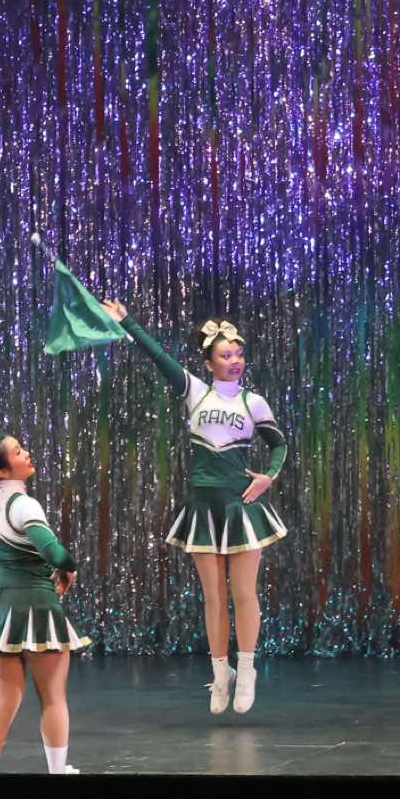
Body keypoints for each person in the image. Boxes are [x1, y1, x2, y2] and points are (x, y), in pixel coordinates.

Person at [112, 304, 288, 714]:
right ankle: (221, 673)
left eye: (238, 354)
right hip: (203, 508)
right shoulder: (195, 391)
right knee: (213, 597)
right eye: (225, 355)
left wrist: (268, 477)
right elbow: (158, 357)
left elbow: (278, 444)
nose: (234, 361)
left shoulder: (254, 402)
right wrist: (126, 321)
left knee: (243, 593)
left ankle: (247, 670)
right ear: (209, 363)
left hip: (241, 506)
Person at [0, 435, 90, 773]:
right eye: (18, 452)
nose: (27, 453)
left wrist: (2, 577)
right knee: (53, 698)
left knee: (2, 704)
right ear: (2, 471)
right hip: (38, 605)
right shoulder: (24, 505)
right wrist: (69, 569)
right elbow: (54, 553)